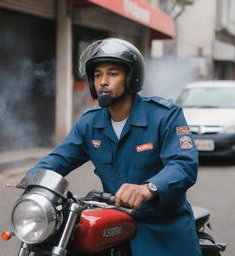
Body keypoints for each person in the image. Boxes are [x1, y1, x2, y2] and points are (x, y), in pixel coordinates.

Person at [24, 38, 202, 256]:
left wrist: (148, 188)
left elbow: (184, 164)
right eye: (97, 75)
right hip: (114, 220)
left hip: (162, 227)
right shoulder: (90, 123)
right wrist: (32, 181)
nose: (103, 82)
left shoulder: (164, 115)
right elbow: (58, 159)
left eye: (113, 74)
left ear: (131, 78)